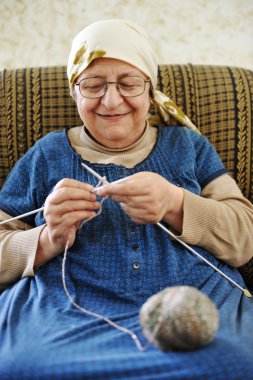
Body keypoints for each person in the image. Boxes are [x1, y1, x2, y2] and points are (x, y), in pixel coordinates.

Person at [0, 19, 252, 380]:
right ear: (74, 93)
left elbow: (246, 238)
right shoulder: (46, 154)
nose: (112, 100)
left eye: (129, 83)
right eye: (93, 85)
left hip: (191, 308)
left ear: (149, 89)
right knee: (18, 367)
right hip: (64, 316)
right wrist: (48, 239)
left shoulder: (188, 146)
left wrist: (176, 204)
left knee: (240, 363)